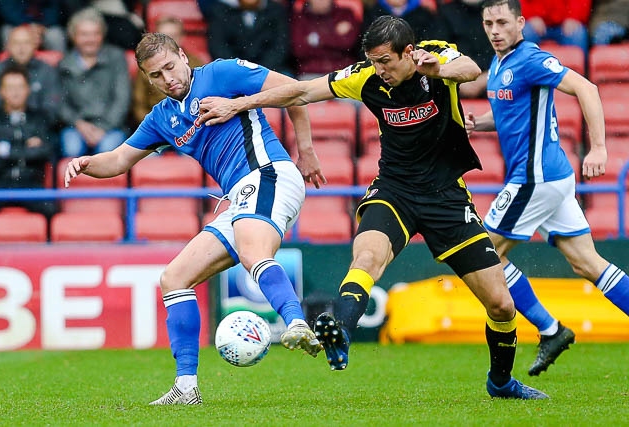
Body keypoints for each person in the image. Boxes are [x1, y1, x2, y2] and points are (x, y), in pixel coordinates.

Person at [200, 15, 549, 400]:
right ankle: (341, 332)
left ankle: (500, 383)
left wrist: (442, 69)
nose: (379, 69)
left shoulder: (433, 57)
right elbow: (301, 93)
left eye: (386, 61)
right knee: (366, 258)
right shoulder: (364, 76)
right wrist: (242, 104)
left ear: (408, 53)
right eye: (374, 60)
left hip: (446, 195)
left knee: (500, 304)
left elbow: (471, 69)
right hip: (394, 189)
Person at [64, 32, 327, 405]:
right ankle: (186, 389)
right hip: (239, 197)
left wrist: (308, 151)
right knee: (174, 279)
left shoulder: (222, 74)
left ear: (183, 57)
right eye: (155, 75)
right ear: (146, 78)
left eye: (170, 67)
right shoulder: (161, 118)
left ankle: (296, 322)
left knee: (253, 253)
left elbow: (295, 92)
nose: (167, 78)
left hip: (267, 173)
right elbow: (120, 159)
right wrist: (88, 164)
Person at [465, 0, 629, 376]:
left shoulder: (530, 59)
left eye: (502, 22)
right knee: (588, 264)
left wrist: (600, 147)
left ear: (521, 23)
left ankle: (550, 329)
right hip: (550, 178)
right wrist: (481, 124)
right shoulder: (501, 62)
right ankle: (552, 329)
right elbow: (512, 113)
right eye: (488, 22)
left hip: (535, 177)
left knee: (484, 254)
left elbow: (586, 87)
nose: (494, 29)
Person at [57, 7, 130, 158]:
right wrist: (78, 124)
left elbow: (122, 99)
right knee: (72, 150)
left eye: (95, 34)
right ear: (73, 36)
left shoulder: (116, 58)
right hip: (76, 127)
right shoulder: (64, 63)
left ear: (102, 35)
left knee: (106, 152)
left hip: (112, 126)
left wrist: (103, 128)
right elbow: (60, 103)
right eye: (84, 34)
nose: (90, 39)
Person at [0, 64, 57, 219]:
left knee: (51, 209)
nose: (15, 92)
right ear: (1, 91)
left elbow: (46, 152)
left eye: (20, 87)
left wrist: (4, 151)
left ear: (28, 90)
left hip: (30, 183)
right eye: (10, 87)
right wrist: (26, 151)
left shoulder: (39, 118)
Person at [131, 15, 205, 126]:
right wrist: (158, 126)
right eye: (163, 37)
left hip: (194, 122)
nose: (167, 41)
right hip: (160, 126)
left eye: (173, 36)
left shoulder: (197, 63)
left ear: (182, 37)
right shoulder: (147, 69)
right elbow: (139, 106)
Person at [0, 25, 62, 123]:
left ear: (35, 45)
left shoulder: (47, 70)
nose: (21, 48)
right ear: (8, 46)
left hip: (39, 130)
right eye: (16, 43)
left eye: (26, 43)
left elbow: (52, 108)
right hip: (2, 130)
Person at [206, 0, 291, 75]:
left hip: (271, 70)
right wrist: (240, 70)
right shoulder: (220, 11)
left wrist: (259, 72)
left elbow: (280, 47)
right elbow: (218, 47)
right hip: (232, 72)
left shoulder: (276, 10)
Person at [290, 0, 362, 80]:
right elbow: (299, 50)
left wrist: (316, 39)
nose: (321, 1)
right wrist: (335, 35)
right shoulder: (299, 17)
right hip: (311, 72)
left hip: (343, 71)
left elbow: (348, 43)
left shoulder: (345, 14)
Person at [437, 0, 493, 98]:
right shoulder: (446, 13)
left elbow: (510, 52)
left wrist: (488, 77)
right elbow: (439, 51)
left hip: (495, 82)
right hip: (454, 83)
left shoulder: (498, 11)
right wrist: (458, 79)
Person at [519, 0, 591, 55]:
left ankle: (579, 73)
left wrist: (573, 16)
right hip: (533, 23)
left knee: (577, 34)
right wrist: (530, 15)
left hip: (564, 23)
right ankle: (521, 72)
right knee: (524, 33)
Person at [0, 0, 67, 52]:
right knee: (6, 31)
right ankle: (7, 66)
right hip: (17, 24)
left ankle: (60, 68)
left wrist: (41, 26)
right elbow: (8, 11)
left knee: (56, 35)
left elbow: (55, 11)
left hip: (43, 26)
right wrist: (28, 26)